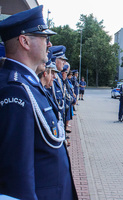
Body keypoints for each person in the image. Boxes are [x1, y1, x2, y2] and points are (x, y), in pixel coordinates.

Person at [0, 6, 77, 199]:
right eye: (44, 38)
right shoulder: (15, 89)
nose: (49, 45)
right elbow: (15, 176)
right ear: (24, 41)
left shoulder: (27, 83)